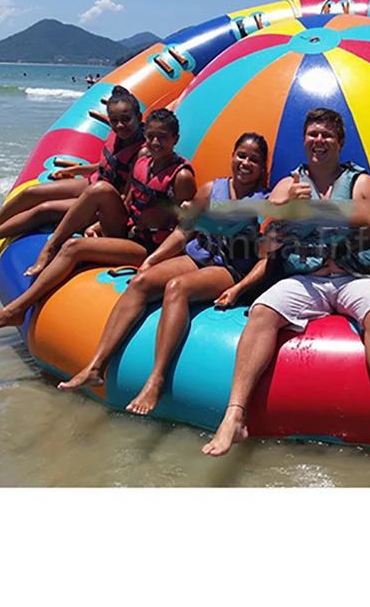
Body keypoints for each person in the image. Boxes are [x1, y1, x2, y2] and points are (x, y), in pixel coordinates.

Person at [203, 107, 370, 474]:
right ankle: (235, 416)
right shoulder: (290, 184)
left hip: (355, 276)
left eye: (326, 135)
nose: (319, 141)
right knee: (261, 312)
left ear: (340, 142)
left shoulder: (362, 185)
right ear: (304, 140)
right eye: (313, 134)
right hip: (306, 278)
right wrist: (284, 206)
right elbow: (267, 222)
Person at [58, 133, 272, 416]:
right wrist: (152, 259)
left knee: (177, 287)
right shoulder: (211, 189)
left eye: (254, 160)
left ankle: (156, 380)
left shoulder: (264, 203)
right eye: (241, 155)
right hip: (199, 254)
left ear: (262, 167)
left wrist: (239, 288)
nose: (245, 163)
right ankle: (95, 367)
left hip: (230, 268)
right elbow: (184, 232)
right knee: (140, 282)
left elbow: (266, 259)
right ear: (232, 156)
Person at [0, 108, 196, 330]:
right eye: (151, 136)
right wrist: (97, 226)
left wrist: (152, 261)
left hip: (148, 246)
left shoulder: (181, 176)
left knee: (73, 247)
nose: (155, 142)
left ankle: (16, 310)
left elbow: (185, 229)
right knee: (100, 189)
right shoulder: (142, 160)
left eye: (162, 137)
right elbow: (128, 201)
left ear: (175, 139)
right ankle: (49, 246)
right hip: (129, 230)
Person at [0, 86, 146, 255]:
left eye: (126, 119)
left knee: (44, 210)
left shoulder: (142, 151)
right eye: (114, 120)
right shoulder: (117, 136)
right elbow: (110, 165)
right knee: (30, 193)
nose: (120, 125)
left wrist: (96, 224)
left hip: (105, 202)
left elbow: (126, 198)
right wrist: (78, 168)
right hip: (95, 182)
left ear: (138, 117)